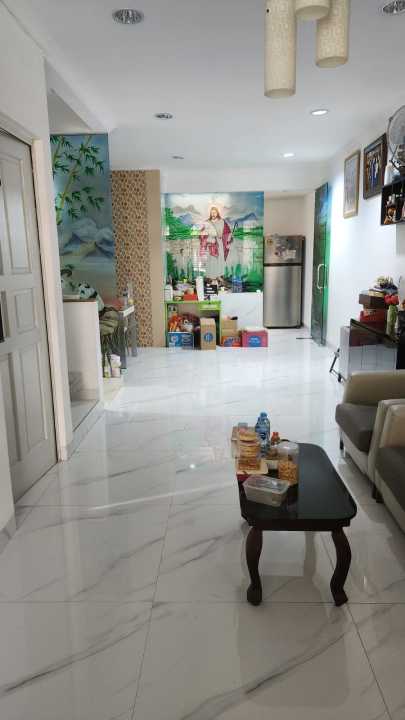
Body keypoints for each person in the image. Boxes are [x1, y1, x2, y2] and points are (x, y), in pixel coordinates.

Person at [199, 206, 235, 280]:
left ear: (217, 213)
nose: (213, 214)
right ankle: (211, 276)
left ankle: (219, 276)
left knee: (219, 260)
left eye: (214, 212)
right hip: (211, 243)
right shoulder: (207, 222)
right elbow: (202, 234)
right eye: (212, 213)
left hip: (219, 243)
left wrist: (229, 236)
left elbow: (227, 232)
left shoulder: (222, 222)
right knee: (211, 260)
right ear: (210, 213)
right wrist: (207, 238)